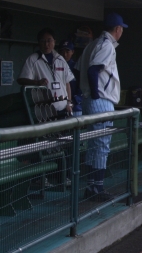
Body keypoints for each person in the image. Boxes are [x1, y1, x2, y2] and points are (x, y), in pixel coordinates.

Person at [78, 13, 127, 201]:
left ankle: (91, 186)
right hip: (100, 101)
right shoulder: (106, 45)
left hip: (90, 100)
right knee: (101, 145)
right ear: (118, 29)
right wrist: (96, 94)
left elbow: (77, 70)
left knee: (93, 145)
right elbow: (93, 70)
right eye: (121, 29)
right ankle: (96, 188)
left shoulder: (92, 44)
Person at [17, 28, 74, 116]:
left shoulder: (60, 59)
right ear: (39, 43)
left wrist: (69, 103)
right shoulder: (33, 59)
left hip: (63, 109)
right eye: (43, 41)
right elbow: (21, 80)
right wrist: (37, 82)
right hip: (44, 111)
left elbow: (67, 83)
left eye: (49, 40)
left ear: (54, 42)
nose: (46, 44)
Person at [58, 39, 83, 116]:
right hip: (59, 106)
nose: (64, 54)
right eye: (62, 51)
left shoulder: (76, 67)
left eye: (67, 51)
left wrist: (74, 101)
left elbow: (82, 87)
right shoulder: (55, 66)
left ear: (72, 52)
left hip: (75, 108)